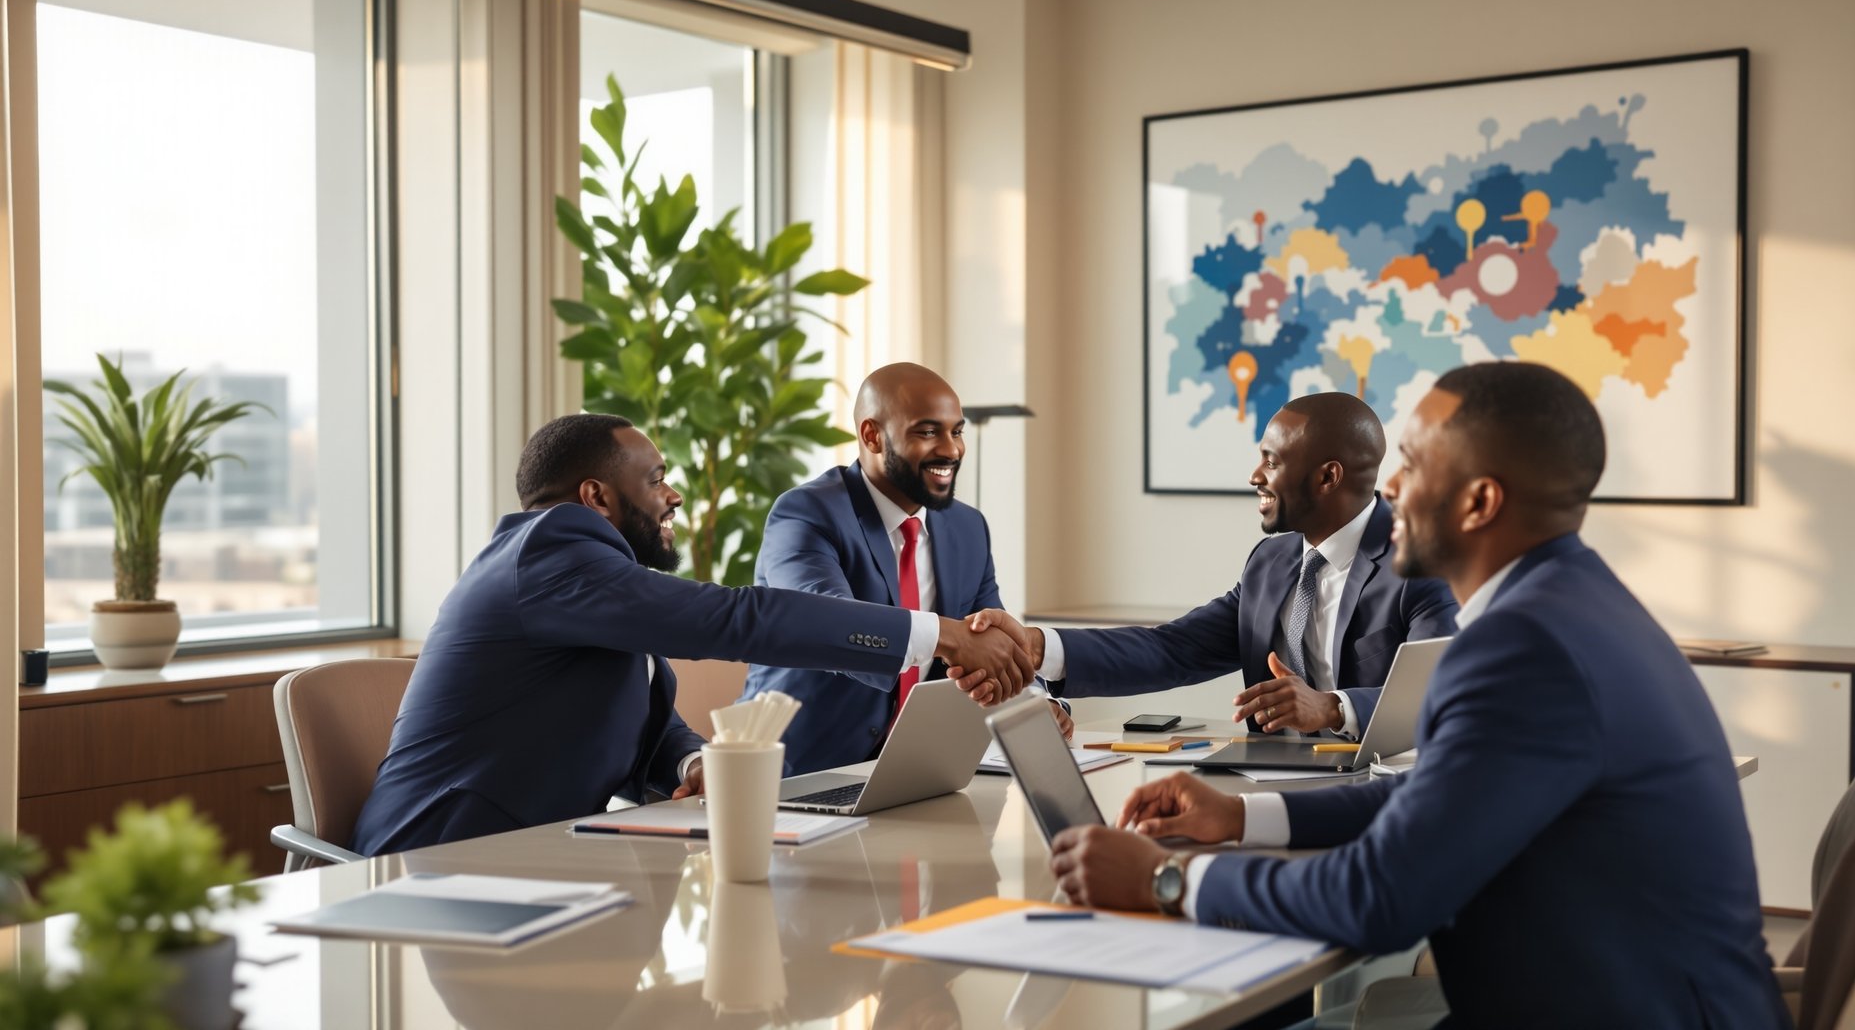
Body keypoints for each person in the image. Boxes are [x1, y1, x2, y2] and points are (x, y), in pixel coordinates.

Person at [1048, 364, 1789, 1029]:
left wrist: (1164, 876)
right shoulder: (1569, 604)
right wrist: (1240, 813)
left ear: (1479, 500)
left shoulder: (1524, 648)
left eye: (1408, 463)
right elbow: (1438, 800)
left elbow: (1381, 896)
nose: (1390, 487)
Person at [350, 414, 1035, 857]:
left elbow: (645, 723)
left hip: (539, 862)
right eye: (655, 480)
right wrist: (937, 634)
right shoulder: (553, 546)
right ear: (595, 497)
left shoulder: (592, 583)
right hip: (441, 861)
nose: (673, 495)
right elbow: (739, 617)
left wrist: (687, 763)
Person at [975, 392, 1455, 738]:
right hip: (1271, 782)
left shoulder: (1423, 564)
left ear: (1328, 476)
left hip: (1382, 790)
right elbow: (1174, 649)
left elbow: (1442, 691)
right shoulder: (1271, 562)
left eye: (1271, 461)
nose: (1255, 476)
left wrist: (1332, 708)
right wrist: (1037, 648)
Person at [741, 363, 1072, 776]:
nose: (951, 450)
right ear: (872, 435)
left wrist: (1038, 705)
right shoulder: (806, 515)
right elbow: (827, 626)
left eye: (957, 431)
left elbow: (995, 641)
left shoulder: (967, 528)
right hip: (794, 775)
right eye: (927, 432)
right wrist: (945, 635)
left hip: (914, 774)